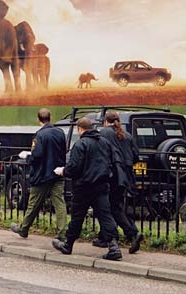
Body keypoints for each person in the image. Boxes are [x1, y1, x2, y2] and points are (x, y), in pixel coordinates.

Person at [51, 117, 123, 261]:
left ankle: (68, 244)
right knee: (105, 216)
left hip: (83, 186)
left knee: (77, 216)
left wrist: (63, 171)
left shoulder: (80, 144)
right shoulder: (104, 142)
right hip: (102, 185)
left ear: (79, 129)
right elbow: (112, 161)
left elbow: (74, 168)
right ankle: (114, 246)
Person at [10, 108, 67, 239]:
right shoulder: (60, 132)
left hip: (42, 175)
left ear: (38, 119)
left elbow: (37, 156)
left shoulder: (39, 135)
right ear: (50, 118)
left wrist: (27, 157)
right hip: (57, 174)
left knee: (33, 204)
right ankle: (62, 233)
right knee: (60, 204)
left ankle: (23, 229)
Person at [94, 110, 144, 254]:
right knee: (114, 206)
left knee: (109, 208)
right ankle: (105, 237)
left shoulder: (103, 133)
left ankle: (132, 233)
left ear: (105, 121)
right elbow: (135, 156)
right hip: (125, 177)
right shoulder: (127, 135)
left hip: (110, 176)